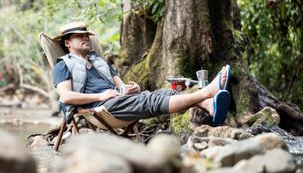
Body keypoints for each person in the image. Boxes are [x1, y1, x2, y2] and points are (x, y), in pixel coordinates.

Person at [52, 21, 231, 126]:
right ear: (68, 43)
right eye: (79, 36)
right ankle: (207, 91)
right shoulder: (63, 65)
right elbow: (66, 97)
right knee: (151, 100)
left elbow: (121, 86)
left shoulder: (99, 62)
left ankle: (209, 104)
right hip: (101, 109)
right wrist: (100, 95)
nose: (85, 38)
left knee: (165, 92)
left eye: (86, 35)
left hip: (118, 101)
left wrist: (131, 88)